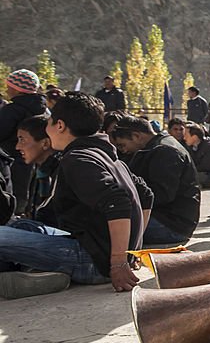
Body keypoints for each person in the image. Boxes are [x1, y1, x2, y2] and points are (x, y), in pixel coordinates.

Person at [0, 92, 153, 298]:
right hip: (92, 251)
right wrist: (132, 249)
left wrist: (118, 262)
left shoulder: (78, 158)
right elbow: (146, 194)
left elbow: (117, 203)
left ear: (60, 125)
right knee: (22, 226)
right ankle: (39, 274)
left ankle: (32, 272)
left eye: (49, 122)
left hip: (91, 261)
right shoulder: (103, 153)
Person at [110, 115, 200, 246]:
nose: (123, 150)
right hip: (167, 218)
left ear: (136, 136)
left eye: (122, 145)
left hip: (171, 225)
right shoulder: (153, 148)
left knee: (106, 227)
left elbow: (161, 195)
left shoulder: (165, 152)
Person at [0, 69, 46, 214]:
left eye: (9, 86)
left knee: (11, 199)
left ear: (17, 89)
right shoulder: (42, 110)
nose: (7, 89)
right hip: (34, 162)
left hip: (11, 160)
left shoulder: (12, 110)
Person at [14, 115, 59, 223]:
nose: (17, 147)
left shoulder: (60, 170)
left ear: (45, 143)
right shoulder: (40, 168)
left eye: (22, 140)